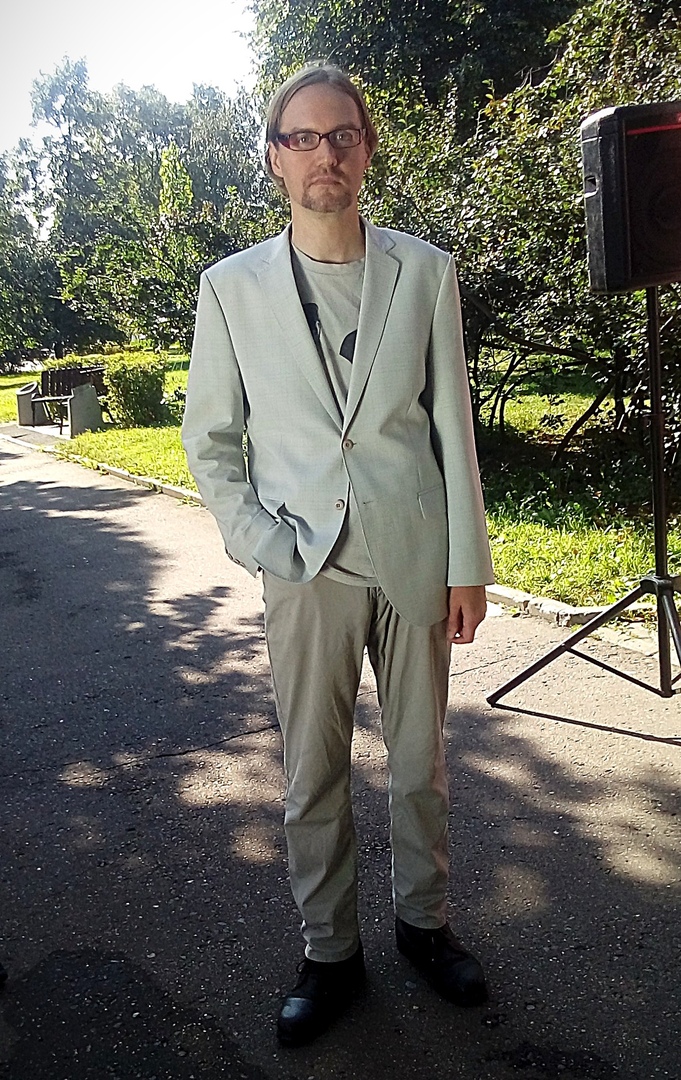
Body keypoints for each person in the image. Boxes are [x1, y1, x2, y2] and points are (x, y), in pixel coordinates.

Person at [182, 63, 495, 1047]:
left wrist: (468, 563)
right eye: (303, 138)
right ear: (275, 157)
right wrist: (263, 545)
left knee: (421, 766)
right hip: (304, 568)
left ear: (366, 149)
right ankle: (330, 955)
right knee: (312, 773)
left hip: (414, 556)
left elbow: (451, 425)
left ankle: (424, 926)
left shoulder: (424, 271)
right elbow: (211, 440)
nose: (326, 153)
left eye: (342, 135)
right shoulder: (231, 288)